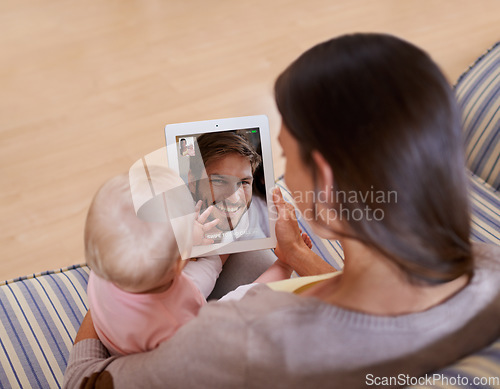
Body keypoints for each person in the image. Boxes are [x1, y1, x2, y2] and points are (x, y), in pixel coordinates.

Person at [64, 33, 500, 388]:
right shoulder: (490, 272)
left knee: (247, 256)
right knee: (253, 251)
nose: (283, 178)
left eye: (287, 158)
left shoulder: (238, 339)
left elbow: (88, 382)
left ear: (325, 181)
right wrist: (299, 259)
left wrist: (112, 283)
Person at [187, 131, 270, 244]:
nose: (234, 199)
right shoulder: (174, 222)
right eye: (219, 181)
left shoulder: (249, 214)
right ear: (192, 181)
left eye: (244, 182)